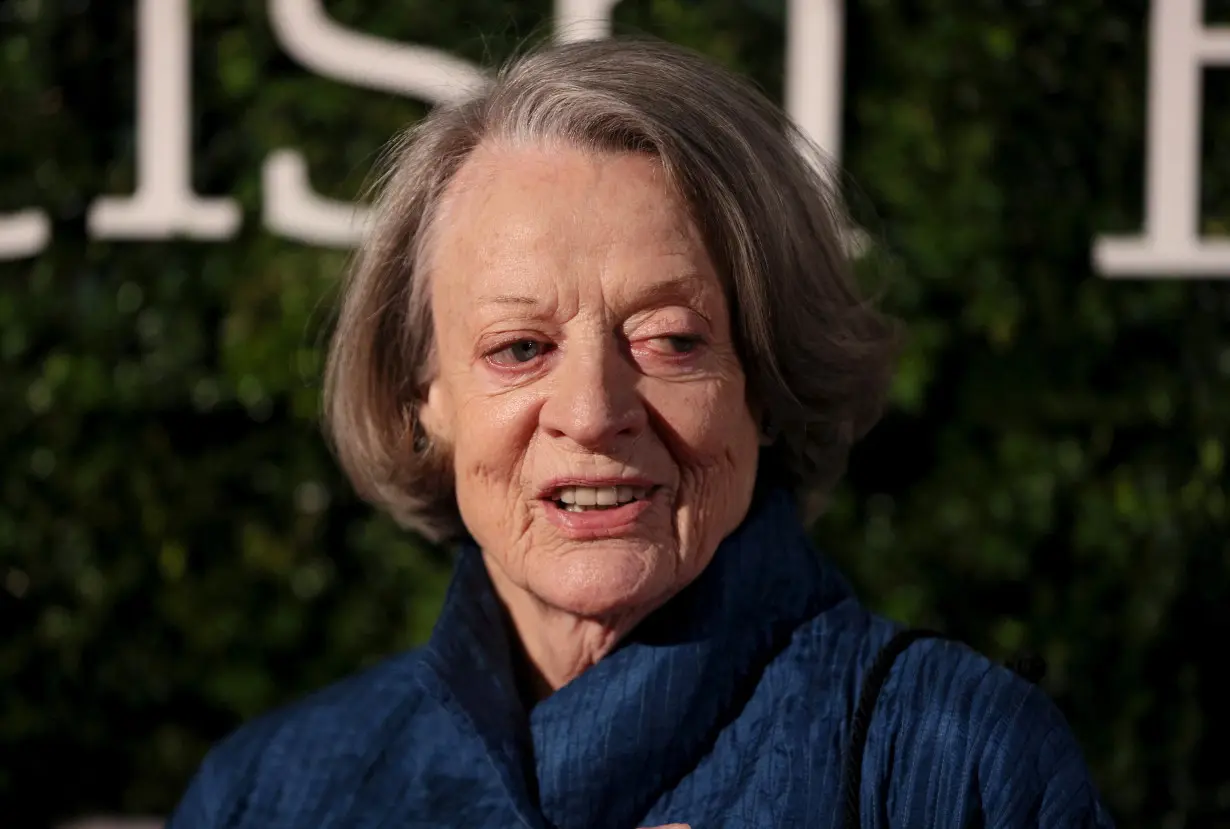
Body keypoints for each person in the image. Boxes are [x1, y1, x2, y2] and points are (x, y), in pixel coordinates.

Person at [166, 37, 1115, 829]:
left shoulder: (953, 770)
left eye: (669, 339)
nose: (592, 410)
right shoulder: (270, 793)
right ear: (425, 398)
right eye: (520, 346)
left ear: (767, 380)